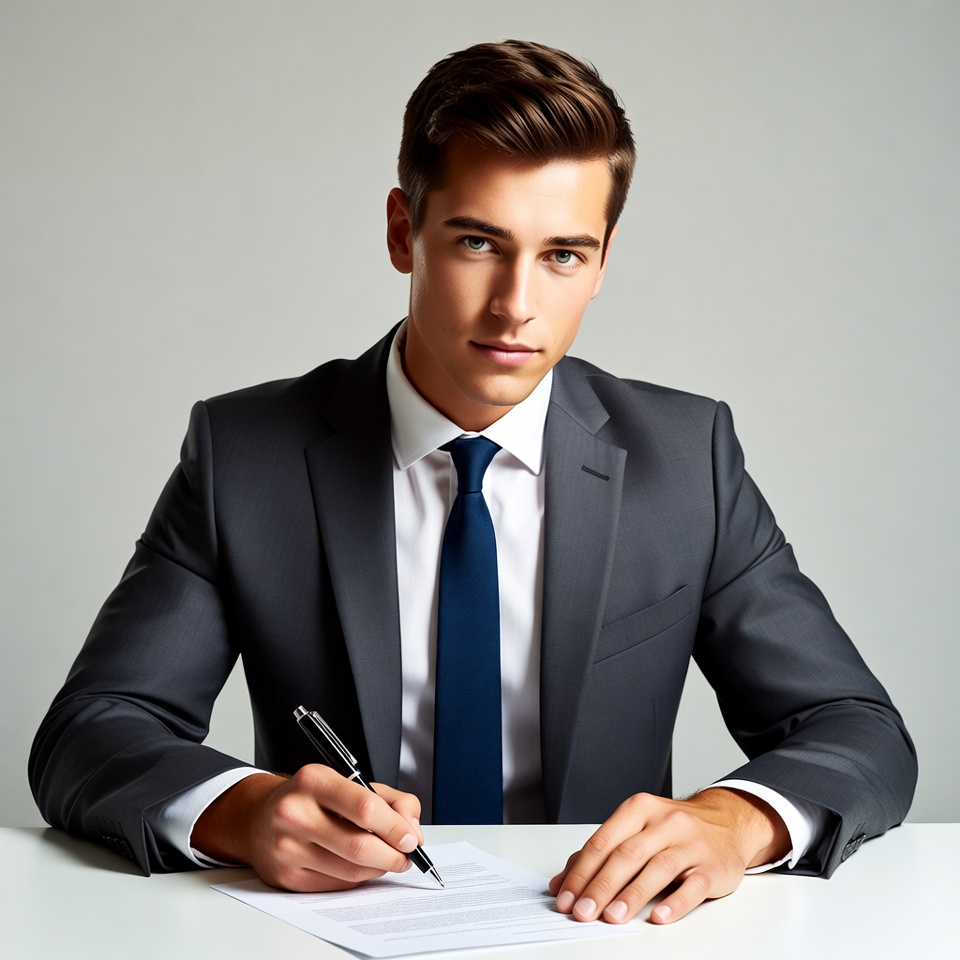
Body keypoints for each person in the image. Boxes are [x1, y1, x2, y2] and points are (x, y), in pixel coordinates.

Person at [29, 39, 916, 926]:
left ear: (604, 262)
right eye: (478, 242)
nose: (515, 305)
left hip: (602, 933)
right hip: (337, 933)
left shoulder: (687, 461)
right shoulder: (246, 456)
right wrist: (243, 812)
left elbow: (857, 729)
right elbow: (93, 730)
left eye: (563, 255)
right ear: (402, 231)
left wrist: (736, 822)